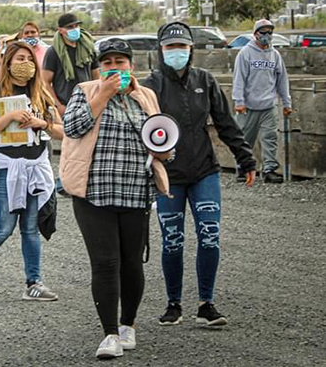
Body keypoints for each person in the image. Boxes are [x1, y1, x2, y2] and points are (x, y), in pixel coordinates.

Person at [61, 38, 171, 359]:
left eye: (119, 62)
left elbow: (160, 135)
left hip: (136, 191)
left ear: (131, 66)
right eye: (107, 62)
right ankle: (109, 333)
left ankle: (128, 326)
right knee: (105, 262)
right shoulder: (84, 91)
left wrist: (166, 149)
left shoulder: (146, 95)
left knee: (132, 262)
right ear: (99, 67)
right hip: (93, 192)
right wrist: (104, 93)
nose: (113, 67)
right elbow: (73, 126)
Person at [144, 22, 257, 328]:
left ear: (191, 49)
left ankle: (206, 303)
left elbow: (226, 123)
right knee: (173, 241)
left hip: (205, 171)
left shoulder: (205, 81)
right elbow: (138, 130)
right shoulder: (150, 85)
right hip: (168, 175)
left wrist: (245, 159)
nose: (176, 52)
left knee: (210, 236)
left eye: (182, 46)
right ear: (161, 50)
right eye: (170, 47)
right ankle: (173, 303)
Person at [0, 41, 63, 301]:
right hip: (5, 168)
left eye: (30, 59)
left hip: (35, 168)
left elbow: (61, 131)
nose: (26, 64)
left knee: (30, 228)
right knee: (3, 227)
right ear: (8, 62)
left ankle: (34, 283)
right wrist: (8, 118)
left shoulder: (41, 94)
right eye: (20, 59)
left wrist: (41, 123)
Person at [232, 18, 293, 183]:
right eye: (263, 32)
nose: (267, 36)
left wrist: (286, 103)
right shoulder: (245, 53)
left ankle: (269, 170)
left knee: (270, 138)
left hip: (268, 105)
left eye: (270, 32)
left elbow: (282, 80)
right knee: (245, 139)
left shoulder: (275, 55)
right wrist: (239, 101)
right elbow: (239, 79)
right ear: (256, 34)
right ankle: (243, 168)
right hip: (248, 106)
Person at [42, 13, 100, 117]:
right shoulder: (54, 52)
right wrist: (58, 106)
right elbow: (45, 82)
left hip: (89, 104)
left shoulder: (88, 49)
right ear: (60, 30)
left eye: (76, 26)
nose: (75, 29)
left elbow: (96, 76)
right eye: (70, 27)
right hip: (66, 105)